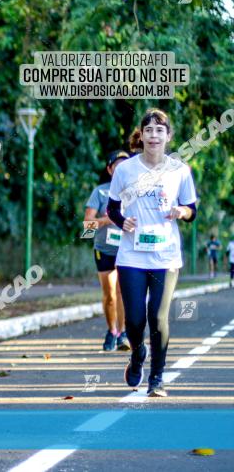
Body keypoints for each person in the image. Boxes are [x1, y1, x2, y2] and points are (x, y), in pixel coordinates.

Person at [107, 109, 198, 398]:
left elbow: (192, 210)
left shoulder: (179, 171)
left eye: (160, 130)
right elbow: (111, 209)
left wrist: (180, 211)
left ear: (168, 136)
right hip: (131, 255)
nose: (154, 135)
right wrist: (124, 221)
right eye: (149, 130)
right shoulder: (125, 170)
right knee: (134, 320)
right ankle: (137, 353)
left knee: (158, 318)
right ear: (142, 135)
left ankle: (157, 379)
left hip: (166, 256)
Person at [84, 150, 130, 351]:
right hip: (104, 249)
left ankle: (123, 333)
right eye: (117, 166)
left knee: (123, 292)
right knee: (110, 294)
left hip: (127, 250)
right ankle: (111, 330)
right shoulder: (100, 192)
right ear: (110, 169)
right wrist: (107, 219)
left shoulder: (135, 192)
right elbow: (87, 226)